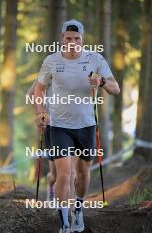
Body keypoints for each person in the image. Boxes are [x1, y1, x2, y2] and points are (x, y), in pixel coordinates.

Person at [34, 19, 120, 233]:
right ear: (62, 38)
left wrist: (100, 82)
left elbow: (115, 88)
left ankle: (79, 209)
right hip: (59, 125)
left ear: (82, 39)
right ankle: (64, 222)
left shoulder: (95, 59)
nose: (72, 42)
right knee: (64, 173)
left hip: (86, 125)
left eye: (77, 39)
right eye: (68, 38)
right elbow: (38, 90)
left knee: (83, 173)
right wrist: (42, 112)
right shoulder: (52, 61)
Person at [27, 81, 77, 202]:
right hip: (53, 128)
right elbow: (30, 95)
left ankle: (71, 208)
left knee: (71, 171)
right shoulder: (48, 73)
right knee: (55, 174)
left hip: (75, 126)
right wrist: (41, 114)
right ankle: (51, 188)